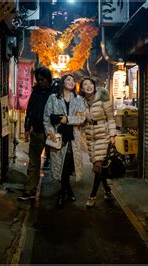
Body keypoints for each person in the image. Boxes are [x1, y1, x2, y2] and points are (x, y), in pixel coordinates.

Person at [44, 73, 86, 209]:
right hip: (58, 137)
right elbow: (47, 117)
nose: (71, 82)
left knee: (67, 165)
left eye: (73, 80)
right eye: (68, 79)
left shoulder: (79, 99)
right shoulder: (53, 98)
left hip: (73, 138)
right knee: (61, 166)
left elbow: (82, 118)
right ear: (63, 82)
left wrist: (67, 119)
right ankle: (67, 190)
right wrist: (50, 131)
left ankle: (63, 192)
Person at [18, 66, 55, 201]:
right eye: (38, 80)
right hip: (38, 132)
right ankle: (29, 190)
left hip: (53, 133)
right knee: (34, 163)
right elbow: (30, 111)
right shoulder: (36, 92)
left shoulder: (55, 92)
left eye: (43, 79)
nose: (40, 82)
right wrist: (27, 128)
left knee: (58, 163)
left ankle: (63, 191)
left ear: (48, 79)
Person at [80, 78, 116, 208]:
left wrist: (112, 135)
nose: (88, 86)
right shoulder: (82, 102)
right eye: (85, 84)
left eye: (91, 84)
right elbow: (81, 119)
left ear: (94, 86)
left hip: (103, 135)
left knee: (98, 165)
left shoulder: (103, 99)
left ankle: (92, 196)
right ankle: (107, 190)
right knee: (99, 166)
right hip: (90, 136)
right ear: (82, 89)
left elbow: (111, 118)